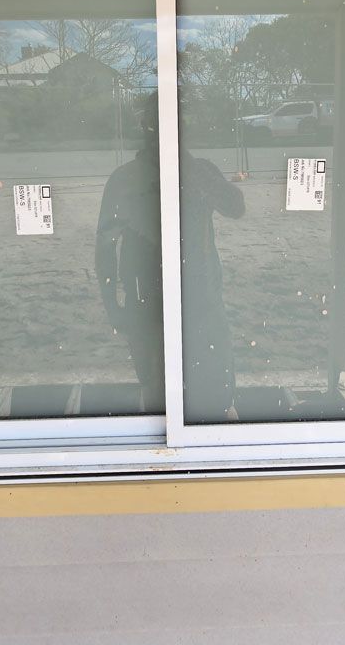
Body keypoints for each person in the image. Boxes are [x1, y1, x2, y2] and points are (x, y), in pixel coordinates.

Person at [95, 93, 244, 420]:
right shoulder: (126, 179)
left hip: (201, 300)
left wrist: (193, 170)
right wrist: (112, 305)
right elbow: (104, 246)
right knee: (158, 396)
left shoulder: (198, 171)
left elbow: (236, 207)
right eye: (157, 127)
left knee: (218, 391)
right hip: (148, 302)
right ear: (146, 129)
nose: (163, 135)